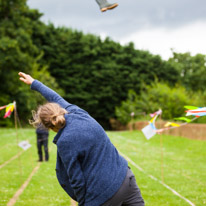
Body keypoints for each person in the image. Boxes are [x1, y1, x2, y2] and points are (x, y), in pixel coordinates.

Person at [18, 72, 145, 206]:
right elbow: (55, 97)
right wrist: (34, 83)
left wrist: (84, 202)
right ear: (61, 110)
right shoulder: (78, 112)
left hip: (104, 195)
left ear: (50, 128)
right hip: (126, 177)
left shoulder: (64, 142)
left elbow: (76, 179)